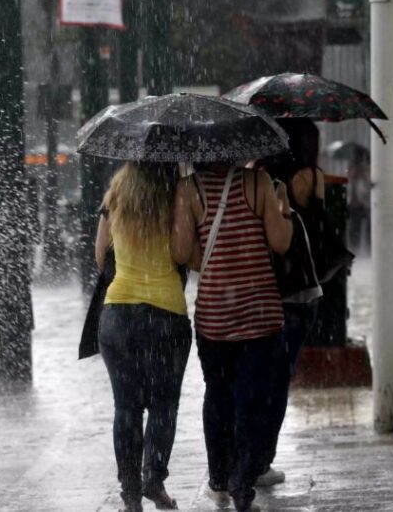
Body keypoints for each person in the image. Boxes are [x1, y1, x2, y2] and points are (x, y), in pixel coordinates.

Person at [175, 162, 292, 512]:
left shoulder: (188, 189)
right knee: (252, 400)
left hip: (214, 316)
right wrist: (282, 206)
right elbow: (281, 242)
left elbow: (182, 253)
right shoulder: (258, 183)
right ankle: (243, 485)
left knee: (218, 395)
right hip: (259, 313)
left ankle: (219, 479)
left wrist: (213, 261)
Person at [93, 162, 193, 512]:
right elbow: (182, 253)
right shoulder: (177, 192)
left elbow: (100, 254)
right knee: (163, 406)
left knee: (126, 406)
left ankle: (130, 494)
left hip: (118, 315)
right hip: (165, 315)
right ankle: (154, 479)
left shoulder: (116, 193)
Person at [254, 118, 328, 488]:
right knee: (279, 382)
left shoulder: (264, 180)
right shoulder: (311, 177)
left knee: (258, 377)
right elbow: (319, 226)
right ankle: (262, 458)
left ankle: (250, 455)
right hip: (301, 289)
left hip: (267, 289)